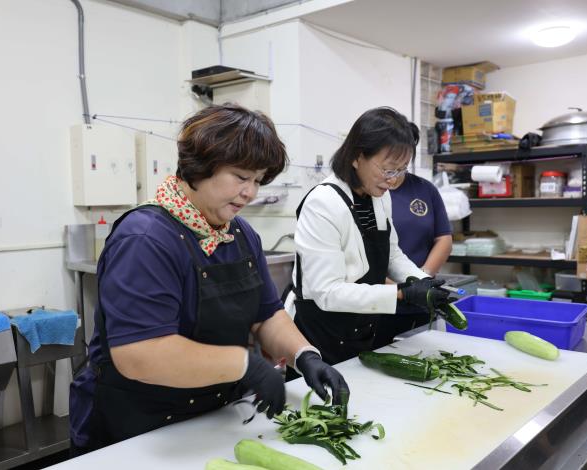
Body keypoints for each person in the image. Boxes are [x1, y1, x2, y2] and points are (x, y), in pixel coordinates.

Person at [69, 104, 348, 455]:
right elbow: (139, 354)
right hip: (138, 428)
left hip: (212, 416)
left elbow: (267, 314)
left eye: (258, 180)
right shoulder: (145, 239)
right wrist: (244, 365)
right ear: (201, 166)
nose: (250, 192)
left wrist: (304, 355)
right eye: (241, 177)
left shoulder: (240, 234)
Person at [285, 107, 450, 366]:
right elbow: (326, 292)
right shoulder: (323, 203)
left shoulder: (378, 198)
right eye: (388, 169)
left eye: (401, 170)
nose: (394, 181)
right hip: (322, 335)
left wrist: (423, 282)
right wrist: (401, 294)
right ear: (357, 157)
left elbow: (392, 254)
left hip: (361, 327)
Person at [374, 160, 453, 348]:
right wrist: (400, 291)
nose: (392, 177)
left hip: (419, 300)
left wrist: (421, 281)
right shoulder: (370, 195)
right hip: (376, 302)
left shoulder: (425, 189)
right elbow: (359, 264)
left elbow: (444, 239)